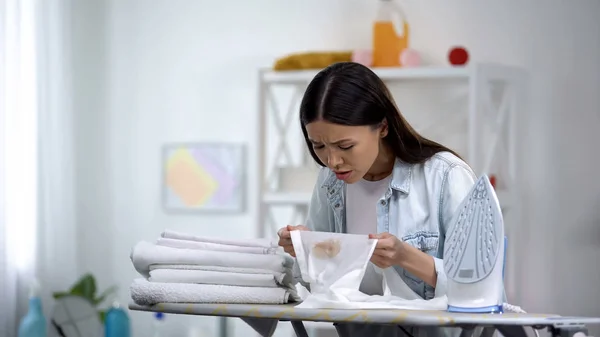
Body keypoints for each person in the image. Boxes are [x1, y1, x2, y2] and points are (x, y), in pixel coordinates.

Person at [277, 62, 477, 337]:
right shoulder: (329, 183)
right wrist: (305, 250)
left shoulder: (446, 177)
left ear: (382, 127)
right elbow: (324, 290)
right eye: (318, 146)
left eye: (345, 146)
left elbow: (480, 289)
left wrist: (406, 257)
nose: (333, 161)